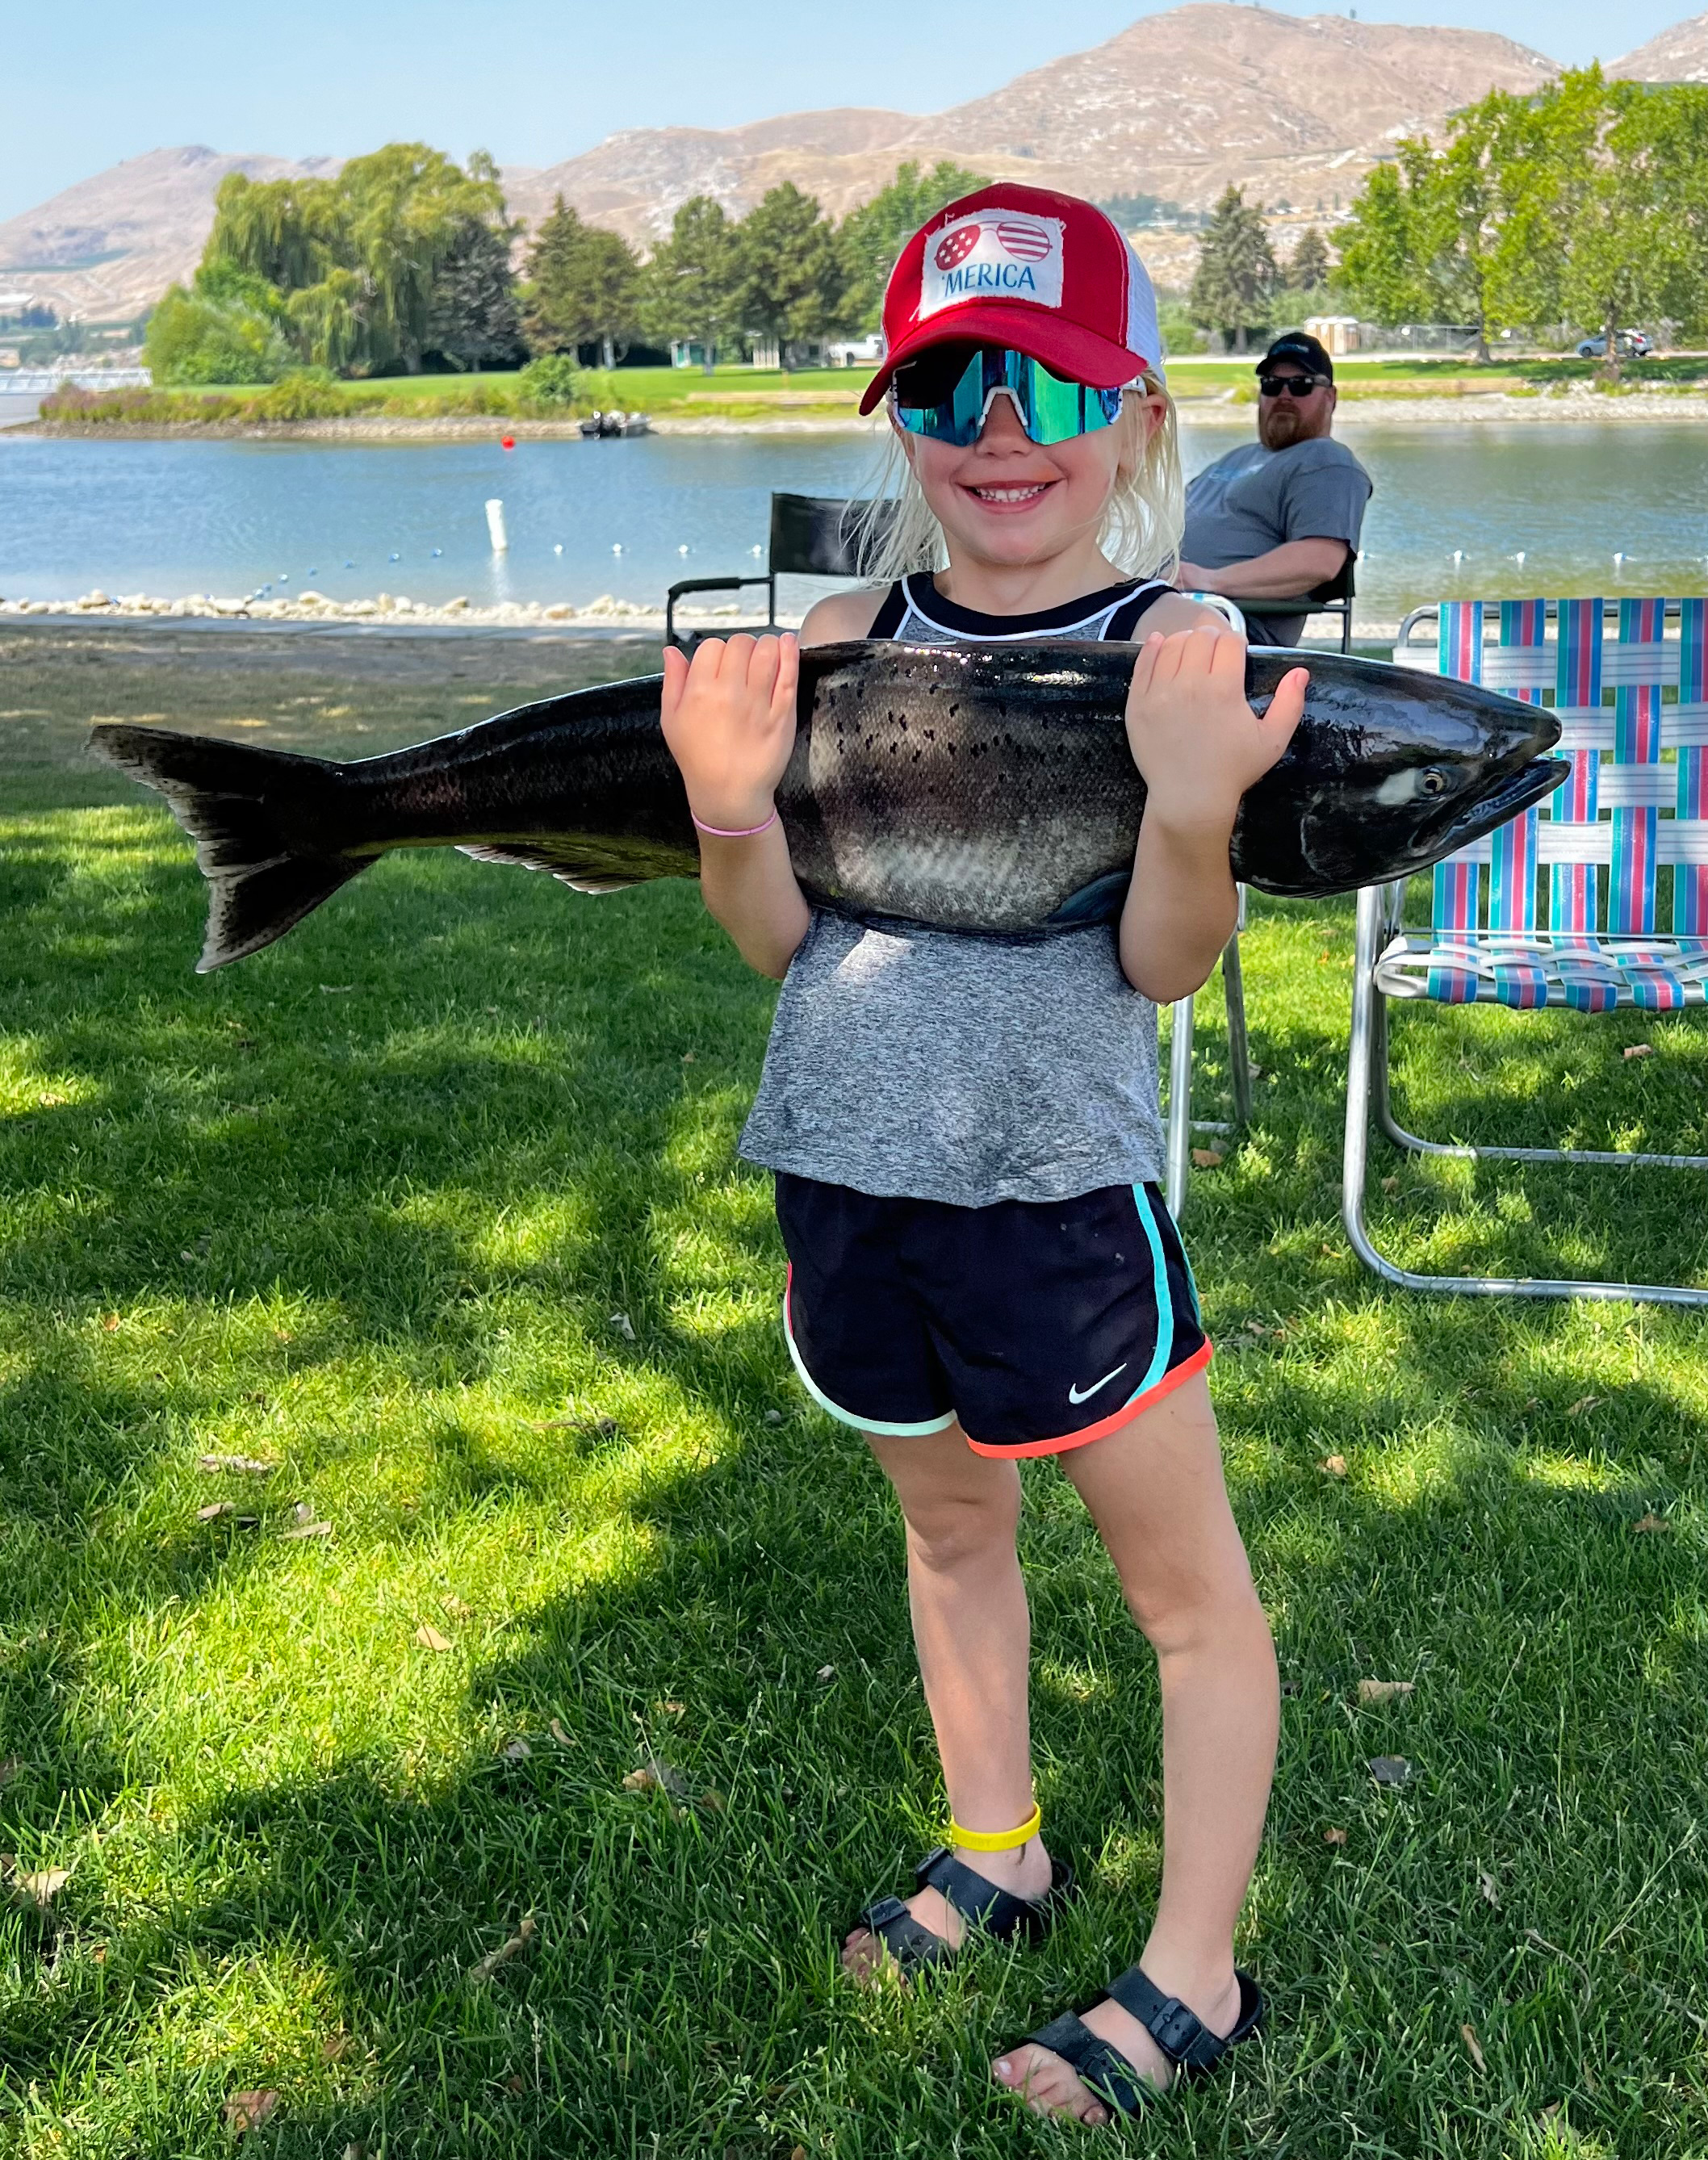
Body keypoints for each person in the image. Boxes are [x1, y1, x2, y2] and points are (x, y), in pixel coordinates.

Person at [658, 186, 1306, 2127]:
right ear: (898, 417)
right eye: (948, 380)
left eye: (1045, 378)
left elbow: (1165, 964)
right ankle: (996, 1842)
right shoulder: (845, 634)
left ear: (1127, 412)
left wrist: (1190, 818)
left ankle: (1195, 1968)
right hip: (848, 1189)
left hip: (1057, 1201)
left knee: (1184, 1597)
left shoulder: (1176, 634)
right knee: (950, 1534)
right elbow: (783, 942)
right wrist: (720, 814)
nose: (998, 425)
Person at [1178, 330, 1371, 647]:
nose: (1284, 394)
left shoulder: (1326, 460)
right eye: (1272, 384)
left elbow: (1318, 561)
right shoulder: (1237, 457)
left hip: (1232, 629)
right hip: (1172, 606)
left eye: (1301, 385)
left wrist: (1207, 581)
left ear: (1331, 398)